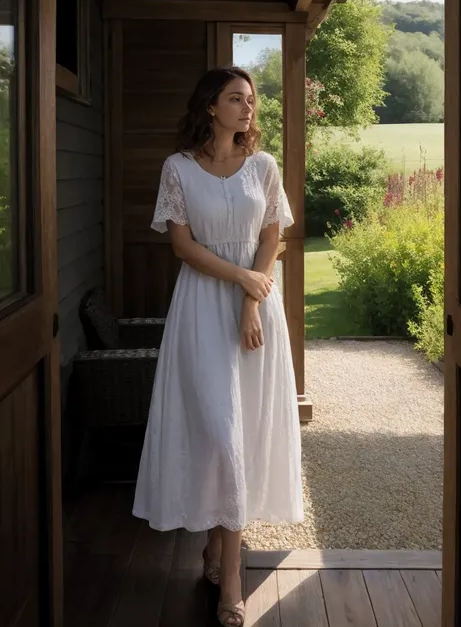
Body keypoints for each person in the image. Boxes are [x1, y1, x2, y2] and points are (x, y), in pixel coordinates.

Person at [132, 66, 304, 627]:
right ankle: (222, 558)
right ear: (211, 106)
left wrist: (253, 298)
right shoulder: (178, 169)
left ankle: (228, 568)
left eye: (251, 100)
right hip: (202, 311)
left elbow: (272, 235)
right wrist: (240, 280)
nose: (248, 108)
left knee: (243, 431)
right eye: (236, 99)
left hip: (253, 312)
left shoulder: (264, 167)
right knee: (217, 430)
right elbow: (182, 246)